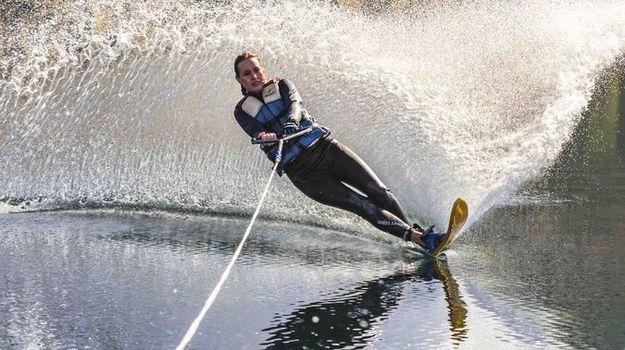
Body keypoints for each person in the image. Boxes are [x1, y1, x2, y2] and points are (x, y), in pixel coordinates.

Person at [233, 50, 444, 253]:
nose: (254, 76)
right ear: (239, 80)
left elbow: (296, 104)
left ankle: (417, 238)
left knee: (379, 191)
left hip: (327, 150)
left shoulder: (283, 85)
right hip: (304, 175)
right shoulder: (241, 111)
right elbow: (255, 131)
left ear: (263, 70)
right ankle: (422, 239)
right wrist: (265, 136)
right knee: (361, 205)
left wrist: (292, 120)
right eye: (246, 73)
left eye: (256, 70)